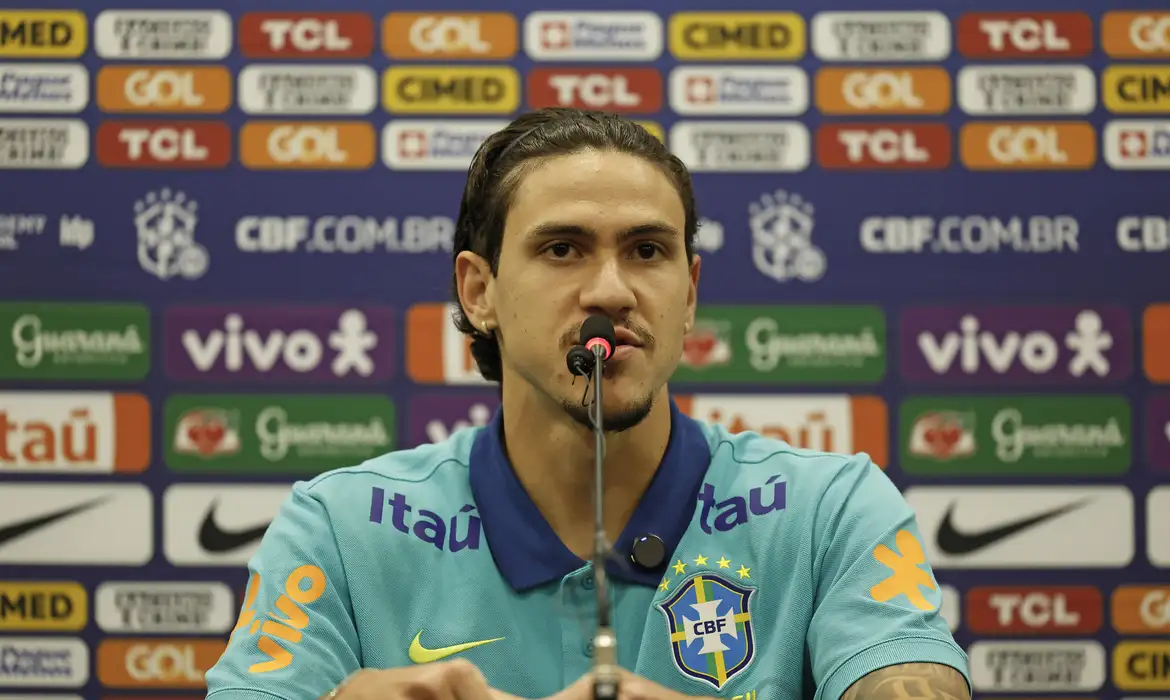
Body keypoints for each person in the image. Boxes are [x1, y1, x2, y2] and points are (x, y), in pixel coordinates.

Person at [203, 108, 972, 700]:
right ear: (479, 292)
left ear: (689, 293)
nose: (612, 290)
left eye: (647, 251)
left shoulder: (830, 509)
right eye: (562, 248)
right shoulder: (341, 530)